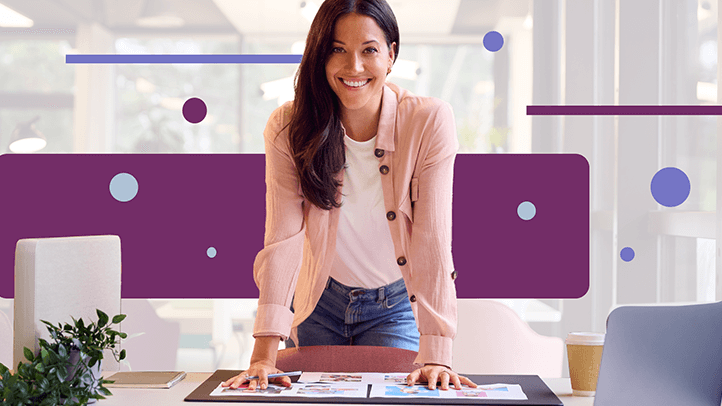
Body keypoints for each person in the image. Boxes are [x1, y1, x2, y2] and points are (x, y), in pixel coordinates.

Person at [223, 0, 475, 392]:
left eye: (369, 50)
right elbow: (283, 240)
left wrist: (438, 352)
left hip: (393, 305)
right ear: (320, 57)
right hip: (319, 302)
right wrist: (263, 355)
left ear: (391, 55)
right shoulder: (289, 127)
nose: (353, 66)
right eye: (337, 49)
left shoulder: (429, 121)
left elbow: (433, 239)